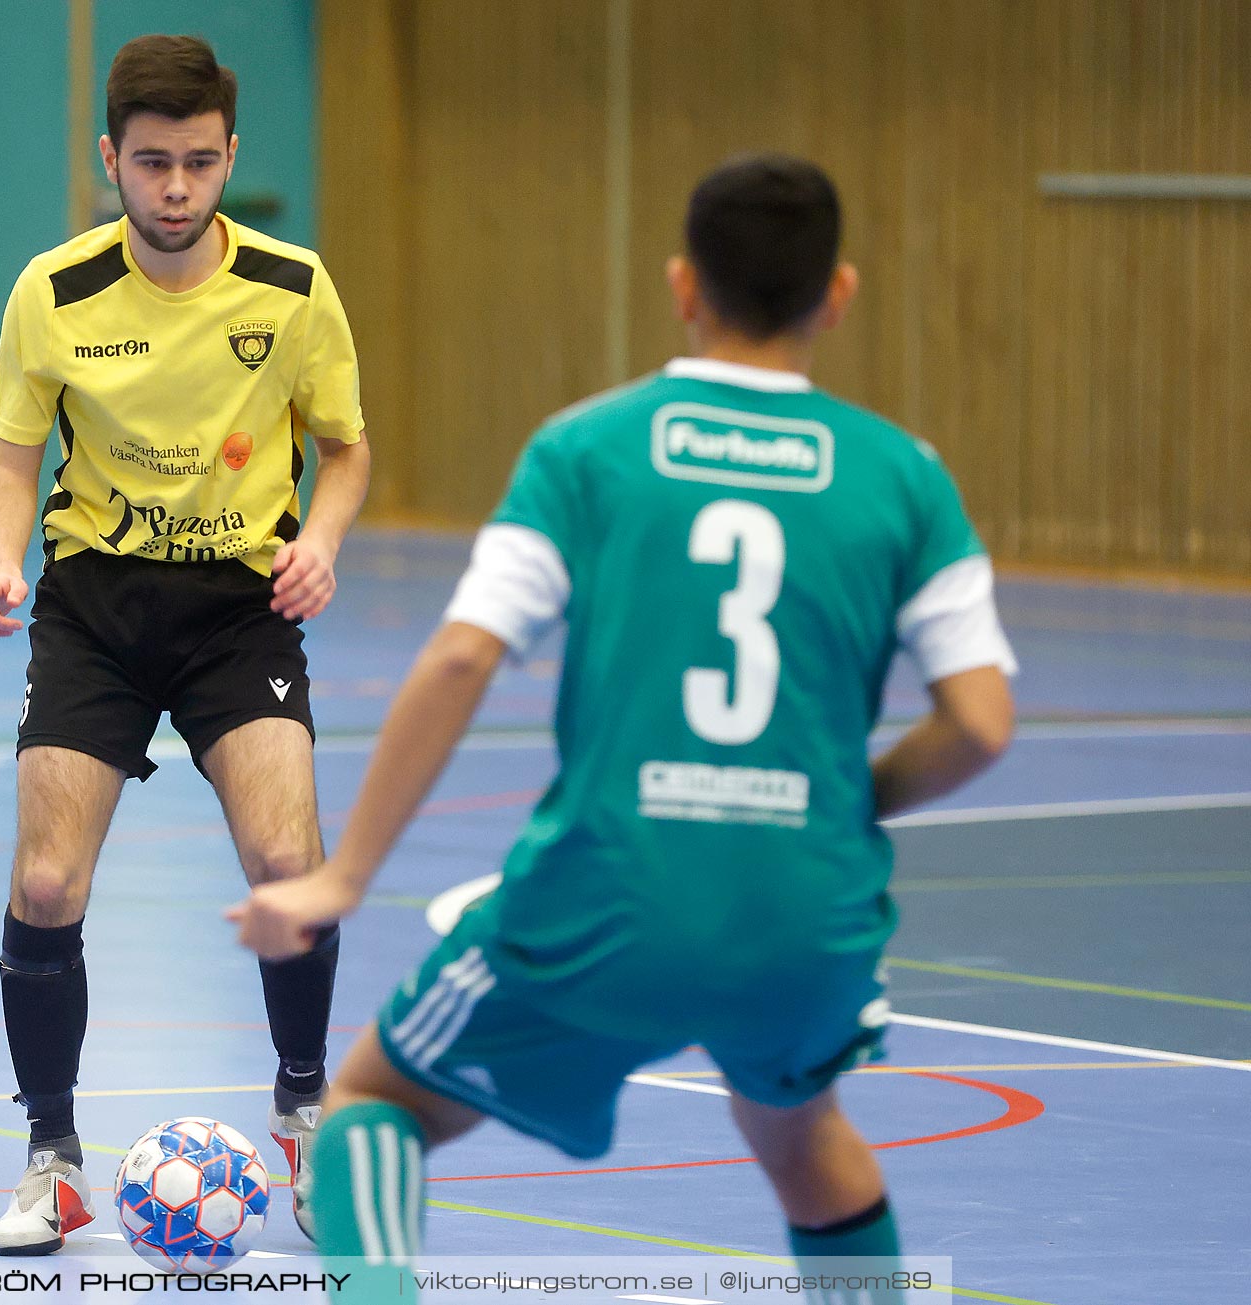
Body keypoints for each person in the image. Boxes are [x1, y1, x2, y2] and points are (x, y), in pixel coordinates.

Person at [230, 154, 1016, 1300]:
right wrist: (851, 801)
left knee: (371, 1107)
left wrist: (344, 875)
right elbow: (983, 724)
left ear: (682, 285)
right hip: (801, 912)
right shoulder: (907, 477)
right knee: (803, 1140)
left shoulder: (588, 451)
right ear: (837, 294)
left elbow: (462, 654)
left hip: (609, 896)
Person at [0, 34, 369, 1255]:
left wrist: (327, 542)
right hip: (93, 605)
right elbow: (10, 464)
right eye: (153, 164)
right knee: (45, 884)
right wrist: (0, 564)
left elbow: (344, 451)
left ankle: (304, 1110)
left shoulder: (294, 291)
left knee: (288, 858)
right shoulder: (52, 292)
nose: (179, 189)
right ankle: (54, 1156)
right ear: (110, 161)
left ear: (231, 154)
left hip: (242, 608)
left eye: (201, 162)